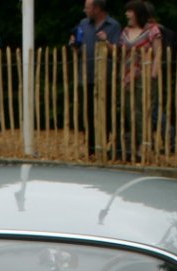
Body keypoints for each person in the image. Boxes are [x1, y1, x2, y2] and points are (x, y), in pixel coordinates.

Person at [70, 0, 121, 156]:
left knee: (105, 113)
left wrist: (106, 41)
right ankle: (91, 147)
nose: (85, 10)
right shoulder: (83, 24)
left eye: (88, 7)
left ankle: (104, 144)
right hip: (86, 74)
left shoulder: (113, 26)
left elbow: (117, 53)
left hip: (105, 76)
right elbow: (78, 49)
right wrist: (74, 45)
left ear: (97, 9)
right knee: (87, 113)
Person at [119, 0, 161, 162]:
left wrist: (153, 74)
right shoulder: (125, 32)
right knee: (129, 112)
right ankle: (131, 147)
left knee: (142, 112)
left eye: (130, 11)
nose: (127, 14)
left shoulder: (152, 30)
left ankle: (144, 147)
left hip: (145, 75)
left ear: (138, 13)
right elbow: (121, 53)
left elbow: (158, 52)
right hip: (128, 76)